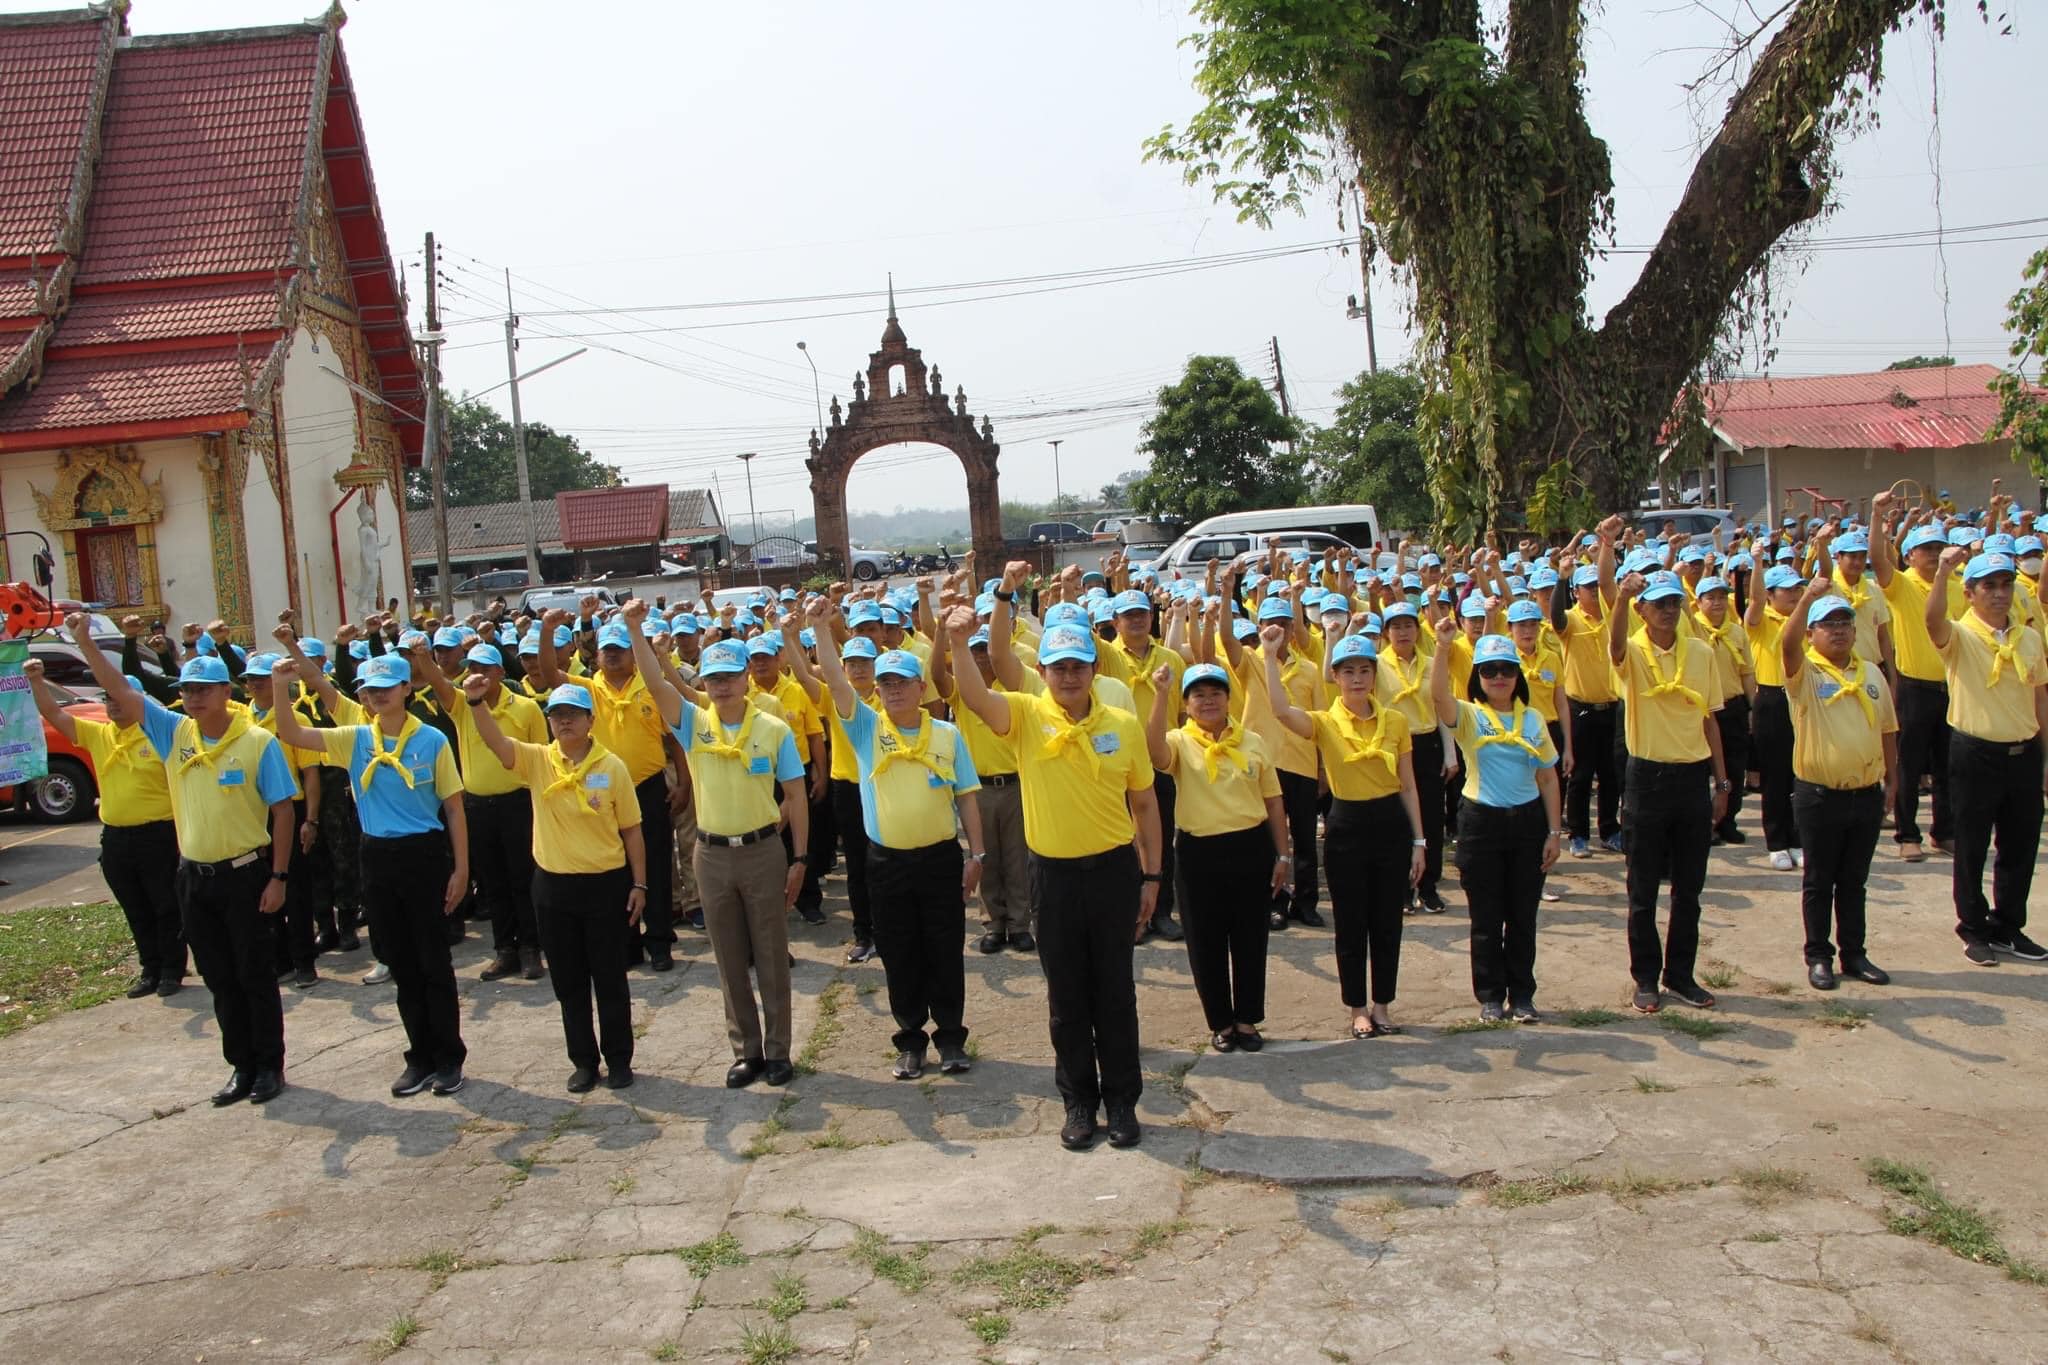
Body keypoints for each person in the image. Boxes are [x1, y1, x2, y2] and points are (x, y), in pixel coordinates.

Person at [945, 607, 1161, 1152]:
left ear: (1094, 670)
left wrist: (1153, 875)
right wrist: (956, 641)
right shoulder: (1024, 714)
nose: (1069, 676)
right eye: (1058, 667)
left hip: (1113, 872)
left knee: (1115, 992)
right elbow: (975, 697)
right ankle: (1078, 1102)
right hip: (1054, 878)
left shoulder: (1123, 725)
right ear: (1041, 671)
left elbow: (1144, 804)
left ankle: (1121, 1101)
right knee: (1066, 996)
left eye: (1078, 666)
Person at [70, 620, 298, 1106]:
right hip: (194, 877)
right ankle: (241, 1065)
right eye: (186, 690)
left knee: (253, 975)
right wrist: (86, 642)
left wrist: (279, 876)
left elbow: (282, 810)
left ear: (225, 692)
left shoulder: (257, 742)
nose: (192, 698)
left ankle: (269, 1065)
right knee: (218, 976)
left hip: (246, 875)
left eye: (202, 689)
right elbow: (121, 691)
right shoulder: (174, 733)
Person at [270, 655, 471, 1096]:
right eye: (370, 689)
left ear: (406, 689)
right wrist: (281, 687)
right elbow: (292, 734)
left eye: (387, 687)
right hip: (377, 855)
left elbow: (454, 808)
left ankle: (449, 1058)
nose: (378, 695)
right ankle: (420, 1057)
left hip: (424, 854)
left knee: (433, 961)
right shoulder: (356, 738)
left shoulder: (432, 739)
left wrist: (461, 869)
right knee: (400, 961)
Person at [625, 605, 808, 1087]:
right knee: (728, 957)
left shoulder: (773, 728)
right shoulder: (693, 722)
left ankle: (778, 1050)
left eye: (730, 676)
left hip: (762, 850)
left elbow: (795, 796)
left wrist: (800, 858)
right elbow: (655, 682)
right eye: (713, 678)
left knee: (771, 955)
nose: (722, 686)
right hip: (711, 854)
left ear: (746, 677)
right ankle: (746, 1051)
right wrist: (634, 630)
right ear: (703, 682)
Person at [812, 619, 985, 1079]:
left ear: (921, 687)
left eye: (902, 682)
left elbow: (967, 796)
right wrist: (819, 629)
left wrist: (977, 855)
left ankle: (951, 1037)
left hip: (941, 859)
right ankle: (910, 1040)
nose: (894, 690)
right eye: (886, 683)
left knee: (944, 949)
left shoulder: (947, 735)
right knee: (899, 951)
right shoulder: (866, 729)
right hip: (888, 863)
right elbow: (836, 682)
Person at [464, 675, 648, 1090]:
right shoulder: (537, 760)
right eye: (557, 715)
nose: (564, 722)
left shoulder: (611, 766)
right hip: (553, 888)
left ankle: (619, 1059)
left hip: (605, 886)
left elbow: (632, 829)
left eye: (573, 714)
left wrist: (640, 885)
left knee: (610, 979)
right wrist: (476, 703)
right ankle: (584, 1061)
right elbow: (497, 743)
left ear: (590, 719)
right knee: (568, 981)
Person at [1267, 632, 1425, 1038]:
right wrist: (1268, 655)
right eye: (1348, 671)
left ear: (1375, 675)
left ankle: (1382, 1005)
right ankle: (1357, 1008)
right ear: (1335, 677)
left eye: (1365, 670)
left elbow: (1408, 785)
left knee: (1387, 921)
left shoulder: (1395, 721)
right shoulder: (1324, 721)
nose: (1357, 678)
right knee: (1351, 922)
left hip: (1391, 824)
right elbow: (1281, 711)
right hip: (1346, 825)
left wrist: (1419, 841)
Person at [1602, 541, 1730, 1015]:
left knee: (1689, 890)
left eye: (1674, 602)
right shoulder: (1634, 651)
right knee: (1642, 891)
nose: (1668, 611)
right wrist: (1620, 598)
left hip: (1691, 778)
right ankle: (1645, 977)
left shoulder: (1700, 652)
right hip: (1647, 779)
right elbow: (1615, 647)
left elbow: (1710, 719)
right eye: (1658, 604)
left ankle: (1680, 974)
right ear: (1642, 610)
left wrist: (1721, 782)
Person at [1144, 657, 1285, 1053]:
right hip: (1199, 854)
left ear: (1228, 698)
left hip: (1251, 848)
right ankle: (1221, 1021)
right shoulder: (1179, 741)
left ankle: (1247, 1019)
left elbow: (1273, 802)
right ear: (1187, 704)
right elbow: (1154, 752)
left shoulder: (1252, 742)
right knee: (1205, 941)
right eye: (1198, 695)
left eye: (1215, 693)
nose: (1208, 701)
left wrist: (1283, 855)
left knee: (1250, 938)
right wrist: (1160, 694)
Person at [26, 646, 184, 997]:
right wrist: (36, 680)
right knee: (135, 906)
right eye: (108, 699)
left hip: (158, 834)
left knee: (165, 905)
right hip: (116, 837)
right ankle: (150, 968)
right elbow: (53, 712)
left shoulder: (158, 735)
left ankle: (172, 969)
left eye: (119, 698)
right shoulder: (100, 734)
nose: (112, 705)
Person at [1923, 547, 2048, 965]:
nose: (1999, 593)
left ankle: (2008, 925)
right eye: (1988, 586)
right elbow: (1932, 622)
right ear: (1970, 593)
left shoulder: (2029, 637)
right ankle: (1973, 927)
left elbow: (2040, 696)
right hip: (1976, 753)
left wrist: (2046, 756)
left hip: (2023, 752)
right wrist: (1942, 572)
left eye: (2006, 584)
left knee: (2020, 843)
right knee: (1972, 844)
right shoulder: (1960, 635)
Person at [1431, 625, 1562, 1021]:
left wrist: (1554, 833)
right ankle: (1490, 995)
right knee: (1486, 917)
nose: (1499, 677)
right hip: (1481, 823)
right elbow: (1438, 695)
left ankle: (1522, 995)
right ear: (1478, 677)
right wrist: (1442, 647)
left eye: (1507, 669)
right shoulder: (1469, 715)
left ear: (1518, 675)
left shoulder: (1534, 719)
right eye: (1489, 670)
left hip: (1527, 824)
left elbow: (1547, 778)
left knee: (1523, 916)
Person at [537, 607, 678, 971]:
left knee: (656, 866)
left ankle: (659, 941)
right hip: (602, 792)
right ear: (597, 655)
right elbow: (549, 673)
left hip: (648, 788)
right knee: (618, 870)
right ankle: (627, 943)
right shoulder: (586, 690)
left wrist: (685, 784)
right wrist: (547, 631)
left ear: (633, 653)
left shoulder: (651, 686)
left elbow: (673, 738)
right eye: (607, 650)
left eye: (620, 649)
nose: (613, 655)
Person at [1780, 583, 1898, 990]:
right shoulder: (1806, 672)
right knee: (1819, 881)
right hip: (1819, 795)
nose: (1838, 630)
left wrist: (1893, 779)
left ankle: (1854, 953)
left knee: (1854, 880)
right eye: (1827, 624)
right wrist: (1806, 599)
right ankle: (1818, 956)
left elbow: (1887, 729)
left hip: (1864, 793)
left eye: (1844, 622)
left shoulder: (1871, 674)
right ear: (1811, 633)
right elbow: (1787, 645)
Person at [417, 640, 548, 981]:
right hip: (478, 805)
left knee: (523, 878)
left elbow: (543, 758)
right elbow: (438, 681)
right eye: (471, 668)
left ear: (500, 673)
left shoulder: (526, 708)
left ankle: (531, 947)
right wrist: (422, 656)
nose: (476, 674)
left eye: (484, 669)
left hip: (518, 802)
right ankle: (505, 949)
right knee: (494, 882)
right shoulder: (462, 704)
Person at [1872, 492, 1960, 862]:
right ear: (1909, 556)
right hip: (1914, 688)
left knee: (1948, 765)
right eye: (1926, 549)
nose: (1934, 554)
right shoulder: (1903, 585)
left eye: (1939, 547)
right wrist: (1877, 516)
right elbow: (1878, 560)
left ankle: (1944, 831)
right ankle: (1908, 834)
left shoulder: (1957, 586)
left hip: (1951, 687)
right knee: (1909, 765)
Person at [1376, 601, 1452, 909]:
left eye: (1408, 625)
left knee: (1432, 816)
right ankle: (1402, 889)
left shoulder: (1433, 663)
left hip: (1427, 744)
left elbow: (1442, 706)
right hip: (1392, 747)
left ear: (1418, 630)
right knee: (1398, 818)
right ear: (1386, 632)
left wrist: (1450, 754)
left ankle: (1428, 886)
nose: (1402, 632)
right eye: (1395, 626)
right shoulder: (1376, 665)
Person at [1552, 563, 1623, 858]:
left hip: (1612, 707)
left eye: (1598, 585)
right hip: (1580, 709)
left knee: (1610, 774)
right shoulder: (1570, 620)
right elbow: (1556, 618)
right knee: (1580, 776)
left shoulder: (1614, 617)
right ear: (1576, 592)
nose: (1595, 590)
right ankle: (1578, 834)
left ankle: (1609, 830)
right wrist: (1561, 579)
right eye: (1588, 586)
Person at [1746, 563, 1806, 870]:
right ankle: (1777, 842)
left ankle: (1797, 838)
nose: (1795, 594)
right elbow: (1755, 601)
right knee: (1775, 776)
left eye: (1798, 588)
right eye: (1787, 589)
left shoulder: (1805, 616)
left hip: (1802, 696)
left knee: (1802, 772)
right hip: (1771, 699)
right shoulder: (1760, 620)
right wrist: (1758, 562)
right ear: (1770, 594)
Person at [1691, 576, 1755, 845]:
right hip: (1703, 709)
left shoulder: (1737, 632)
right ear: (1698, 602)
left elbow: (1746, 672)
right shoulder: (1693, 629)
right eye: (1710, 598)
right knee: (1702, 769)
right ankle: (1704, 823)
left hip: (1733, 705)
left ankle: (1727, 820)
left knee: (1735, 766)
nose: (1717, 603)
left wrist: (1752, 707)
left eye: (1721, 597)